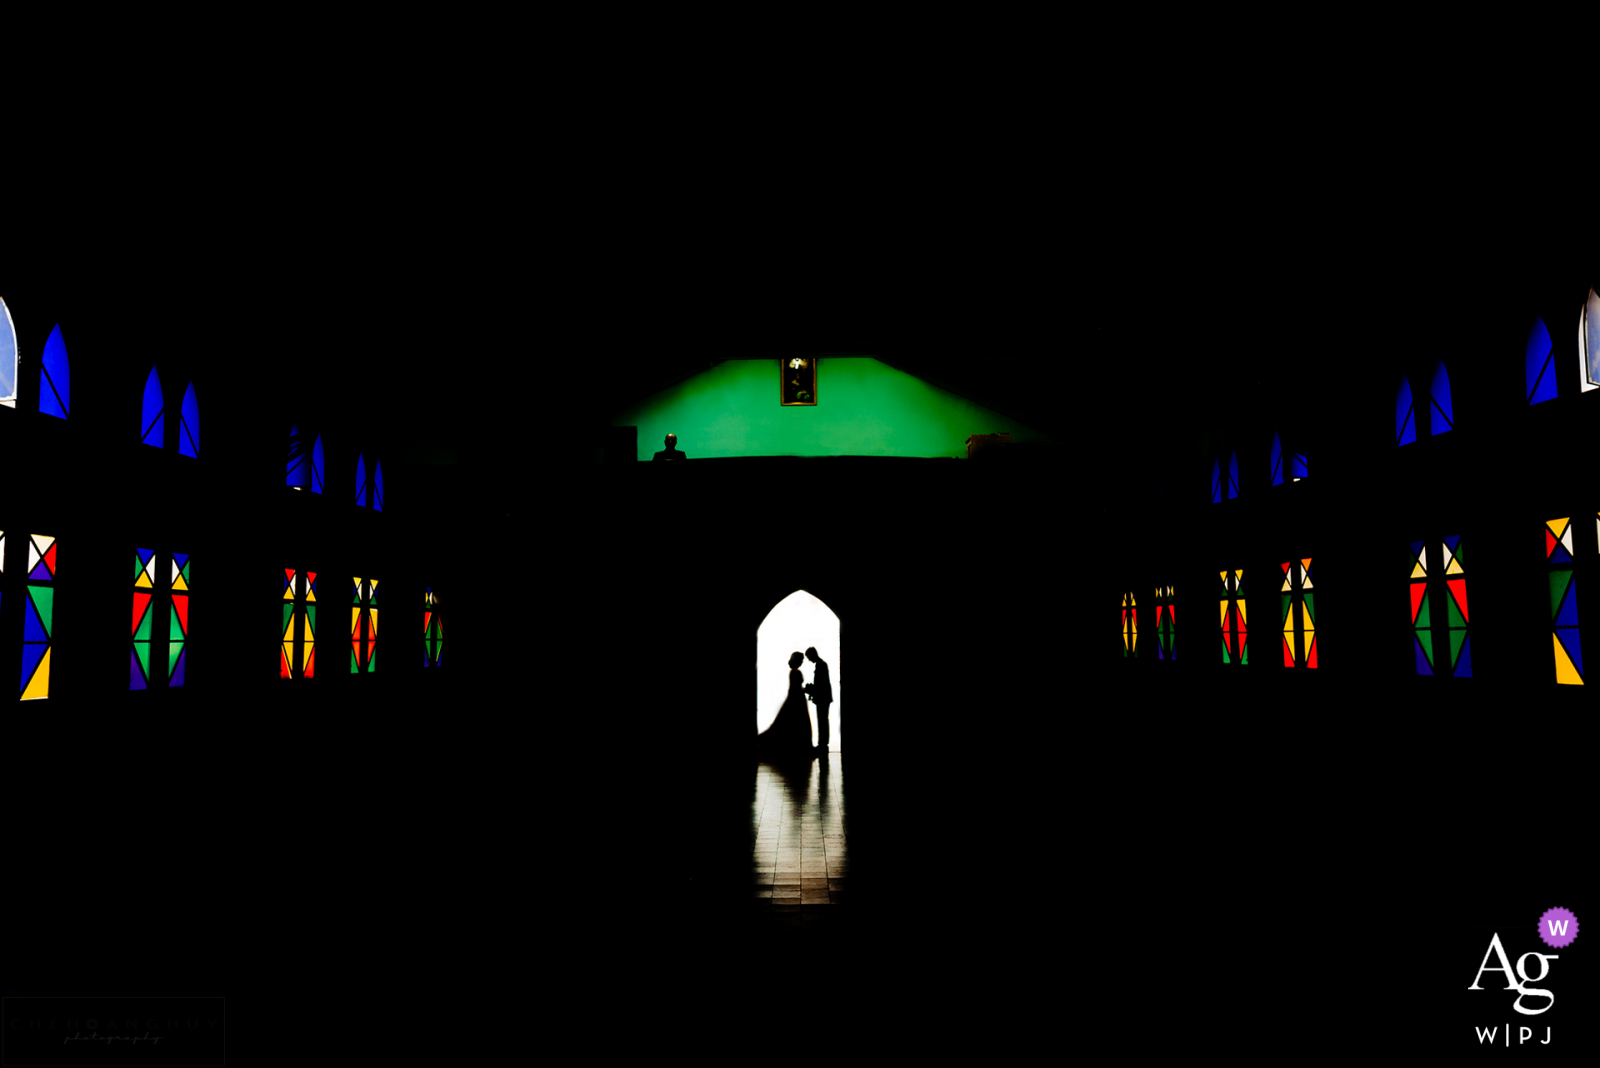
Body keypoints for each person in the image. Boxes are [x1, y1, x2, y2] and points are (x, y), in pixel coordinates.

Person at [757, 652, 814, 762]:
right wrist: (806, 690)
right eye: (801, 660)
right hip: (798, 700)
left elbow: (795, 688)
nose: (802, 662)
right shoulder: (795, 673)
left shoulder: (793, 672)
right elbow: (796, 688)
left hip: (797, 699)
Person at [804, 647, 833, 754]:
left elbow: (820, 684)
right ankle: (823, 743)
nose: (808, 659)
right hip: (824, 697)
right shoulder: (821, 664)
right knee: (823, 720)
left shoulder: (820, 665)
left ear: (812, 655)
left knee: (822, 720)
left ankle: (823, 743)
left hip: (822, 697)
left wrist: (810, 690)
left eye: (808, 657)